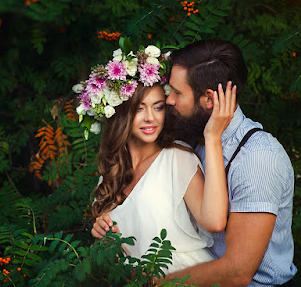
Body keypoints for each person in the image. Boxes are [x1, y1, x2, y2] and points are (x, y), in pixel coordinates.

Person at [81, 43, 236, 273]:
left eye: (158, 107)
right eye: (140, 108)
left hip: (185, 278)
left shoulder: (176, 159)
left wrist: (212, 136)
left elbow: (214, 222)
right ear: (121, 114)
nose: (151, 118)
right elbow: (117, 256)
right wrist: (102, 233)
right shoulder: (110, 176)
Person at [156, 39, 297, 286]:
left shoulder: (257, 159)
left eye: (177, 93)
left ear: (209, 100)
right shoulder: (195, 138)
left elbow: (237, 272)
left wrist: (154, 283)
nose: (169, 101)